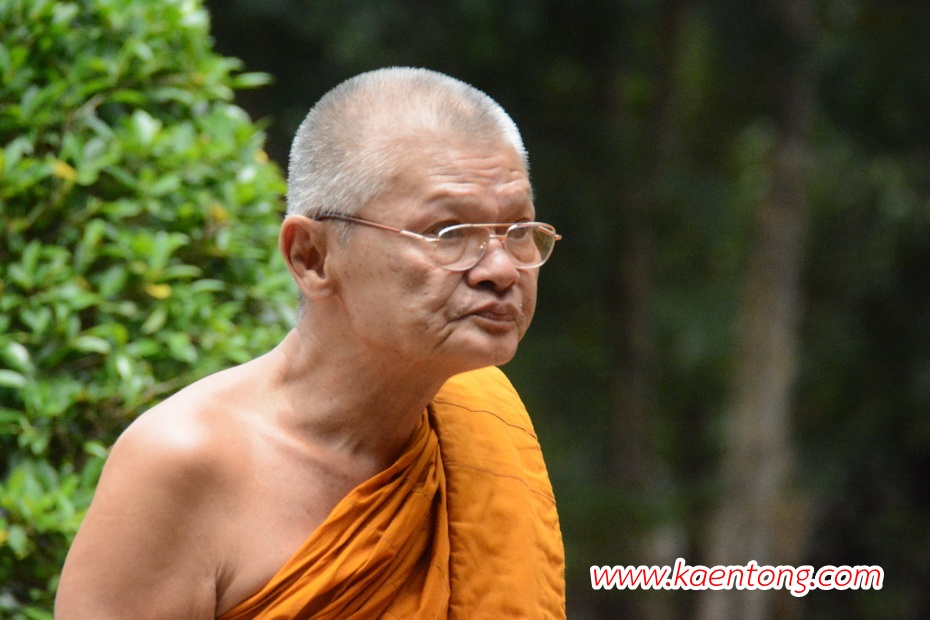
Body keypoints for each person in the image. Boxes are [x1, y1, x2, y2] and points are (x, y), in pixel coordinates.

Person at [56, 67, 565, 619]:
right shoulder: (185, 462)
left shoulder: (483, 425)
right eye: (449, 233)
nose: (501, 270)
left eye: (519, 231)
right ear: (312, 257)